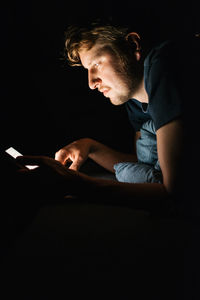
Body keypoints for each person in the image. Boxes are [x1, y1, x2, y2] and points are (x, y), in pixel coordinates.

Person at [16, 21, 200, 214]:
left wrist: (75, 183)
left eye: (97, 63)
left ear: (133, 45)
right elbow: (146, 166)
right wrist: (91, 147)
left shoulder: (165, 62)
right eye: (87, 69)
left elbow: (173, 193)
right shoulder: (135, 100)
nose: (91, 83)